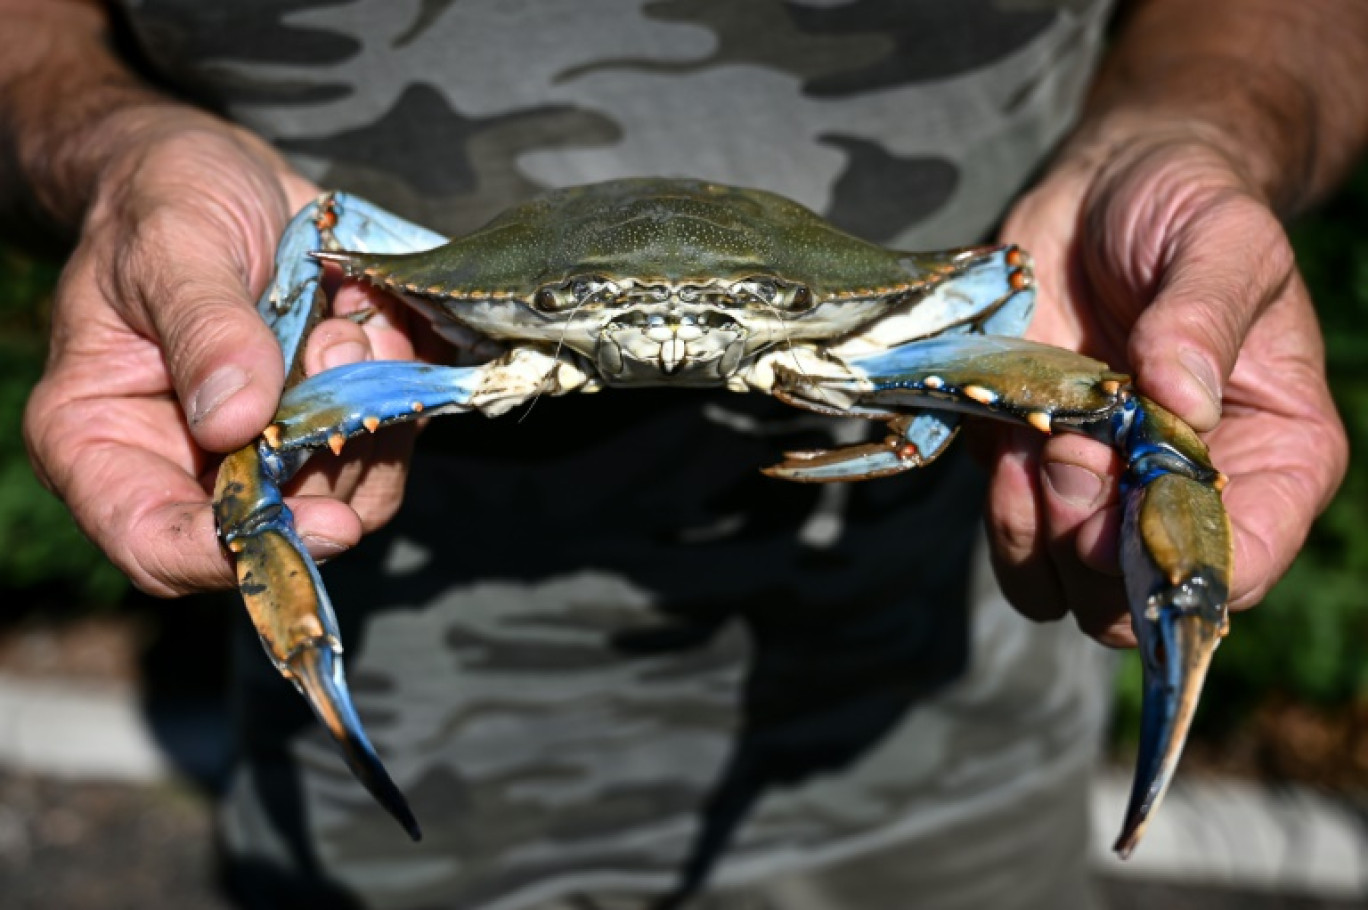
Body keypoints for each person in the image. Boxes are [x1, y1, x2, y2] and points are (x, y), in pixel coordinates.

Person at [5, 0, 1359, 907]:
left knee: (1142, 416)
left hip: (941, 795)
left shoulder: (955, 303)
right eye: (596, 312)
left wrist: (1202, 128)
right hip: (359, 827)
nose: (666, 337)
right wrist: (115, 146)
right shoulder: (403, 281)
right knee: (259, 468)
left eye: (725, 315)